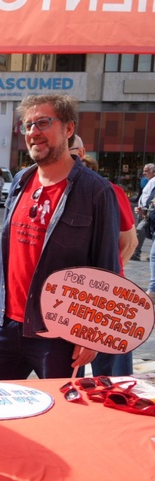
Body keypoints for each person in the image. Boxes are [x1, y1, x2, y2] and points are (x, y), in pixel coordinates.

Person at [0, 94, 120, 381]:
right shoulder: (20, 181)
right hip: (8, 325)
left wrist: (91, 333)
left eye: (43, 123)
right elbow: (10, 251)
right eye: (27, 125)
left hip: (59, 332)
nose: (33, 133)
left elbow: (106, 267)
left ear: (68, 129)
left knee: (61, 417)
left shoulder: (95, 191)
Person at [80, 153, 137, 376]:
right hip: (69, 295)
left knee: (114, 376)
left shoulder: (109, 191)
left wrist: (105, 278)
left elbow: (129, 241)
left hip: (109, 296)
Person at [133, 163, 155, 261]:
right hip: (145, 211)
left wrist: (145, 208)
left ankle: (136, 252)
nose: (144, 173)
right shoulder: (149, 181)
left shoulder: (153, 181)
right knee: (144, 231)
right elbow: (144, 195)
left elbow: (150, 197)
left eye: (146, 171)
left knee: (141, 230)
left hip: (148, 212)